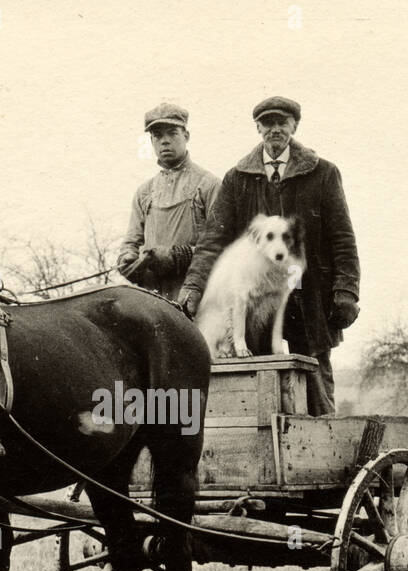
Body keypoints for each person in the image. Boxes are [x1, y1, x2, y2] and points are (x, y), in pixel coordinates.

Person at [179, 96, 360, 415]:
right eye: (268, 123)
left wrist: (346, 291)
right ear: (258, 127)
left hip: (311, 296)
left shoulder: (324, 174)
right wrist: (194, 286)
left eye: (282, 122)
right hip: (257, 301)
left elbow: (342, 238)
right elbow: (213, 238)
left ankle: (324, 454)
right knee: (258, 388)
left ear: (294, 125)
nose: (275, 129)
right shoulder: (237, 178)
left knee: (315, 382)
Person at [117, 102, 221, 301]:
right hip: (152, 298)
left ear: (186, 136)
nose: (165, 141)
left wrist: (177, 257)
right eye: (158, 136)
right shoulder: (145, 192)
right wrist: (127, 258)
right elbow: (131, 242)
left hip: (195, 294)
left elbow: (221, 246)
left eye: (172, 133)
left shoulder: (209, 185)